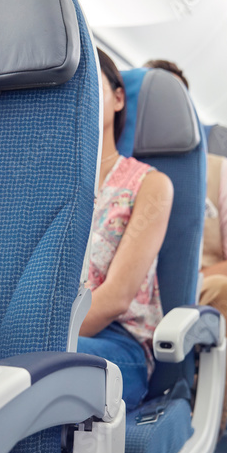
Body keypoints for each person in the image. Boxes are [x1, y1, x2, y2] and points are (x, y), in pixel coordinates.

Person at [145, 58, 227, 435]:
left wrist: (187, 276)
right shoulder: (112, 165)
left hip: (198, 284)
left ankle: (206, 423)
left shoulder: (223, 172)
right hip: (124, 285)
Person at [77, 49, 174, 411]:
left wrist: (43, 335)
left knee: (30, 368)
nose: (81, 98)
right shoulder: (50, 182)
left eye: (91, 86)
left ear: (119, 98)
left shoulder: (150, 185)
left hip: (119, 343)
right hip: (47, 336)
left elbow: (116, 297)